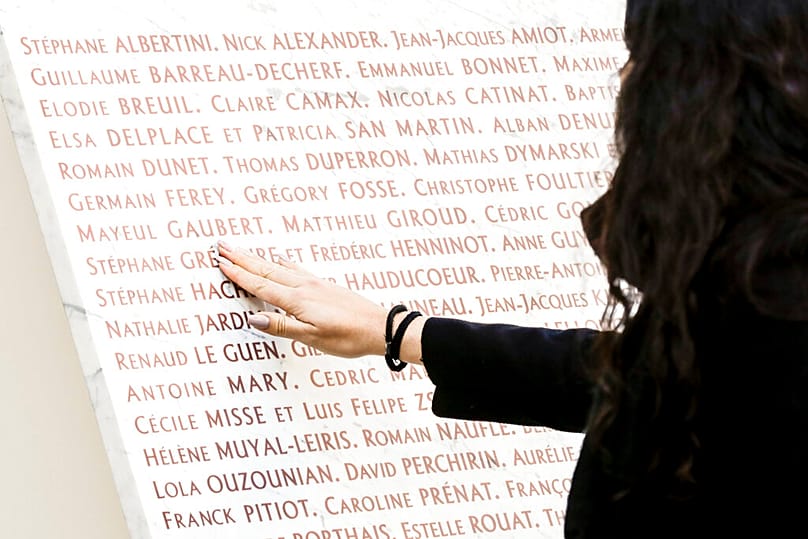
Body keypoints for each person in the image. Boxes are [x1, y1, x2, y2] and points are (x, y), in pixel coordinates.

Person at [215, 0, 808, 536]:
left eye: (639, 57)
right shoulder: (760, 269)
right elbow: (649, 377)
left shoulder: (774, 303)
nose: (623, 82)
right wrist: (401, 332)